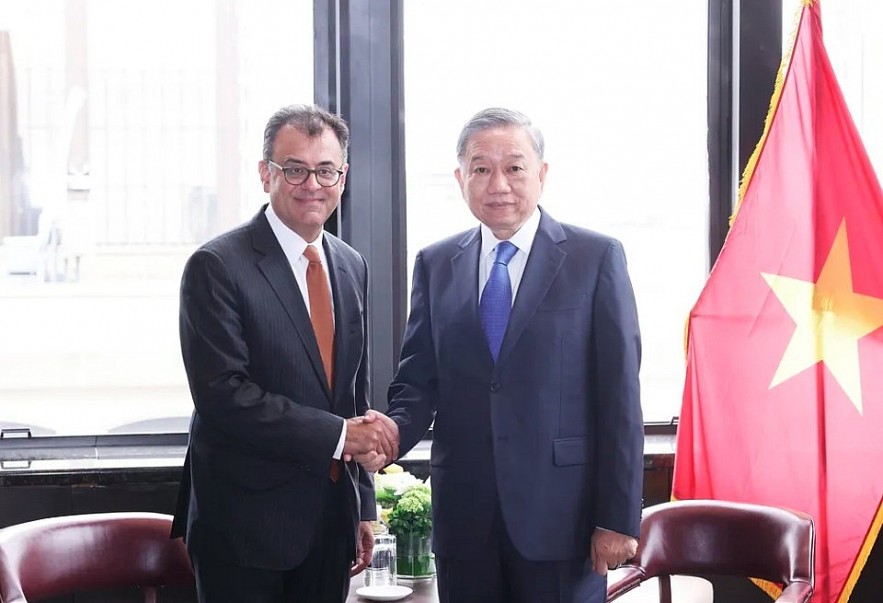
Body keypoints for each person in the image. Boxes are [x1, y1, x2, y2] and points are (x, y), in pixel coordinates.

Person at [377, 107, 644, 603]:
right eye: (481, 168)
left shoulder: (595, 258)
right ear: (461, 179)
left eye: (514, 167)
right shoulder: (435, 264)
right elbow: (418, 382)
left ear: (542, 174)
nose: (498, 182)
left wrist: (617, 518)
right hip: (465, 521)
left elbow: (621, 399)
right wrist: (390, 434)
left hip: (564, 522)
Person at [170, 103, 396, 603]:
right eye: (294, 169)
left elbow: (351, 395)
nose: (311, 184)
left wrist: (363, 505)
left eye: (325, 170)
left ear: (344, 177)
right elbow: (222, 396)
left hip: (329, 525)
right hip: (245, 528)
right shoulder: (217, 266)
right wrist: (339, 436)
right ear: (265, 173)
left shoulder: (350, 264)